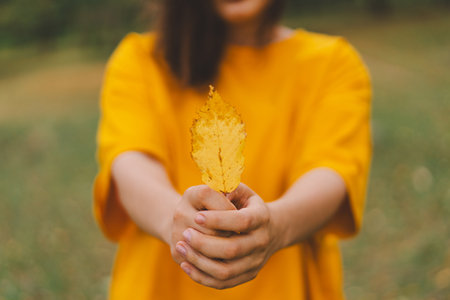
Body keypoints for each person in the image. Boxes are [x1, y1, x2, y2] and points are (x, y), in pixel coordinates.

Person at [93, 0, 372, 299]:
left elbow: (331, 171)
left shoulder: (331, 63)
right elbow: (131, 163)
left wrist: (277, 226)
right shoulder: (140, 60)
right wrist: (174, 221)